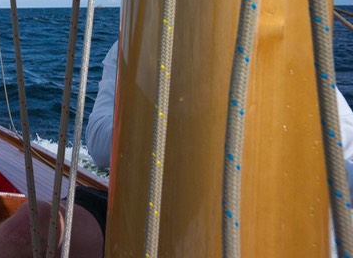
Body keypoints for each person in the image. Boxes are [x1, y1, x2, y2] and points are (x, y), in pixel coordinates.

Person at [85, 40, 353, 192]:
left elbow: (347, 154)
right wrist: (184, 127)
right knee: (50, 216)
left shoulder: (283, 45)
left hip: (271, 216)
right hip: (146, 210)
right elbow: (98, 145)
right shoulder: (135, 40)